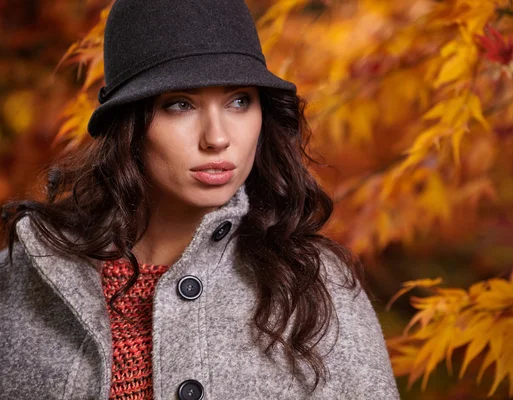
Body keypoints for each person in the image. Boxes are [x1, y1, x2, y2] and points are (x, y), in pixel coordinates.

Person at [0, 0, 400, 399]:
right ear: (130, 123)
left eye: (239, 101)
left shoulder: (314, 285)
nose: (217, 137)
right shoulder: (22, 280)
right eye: (181, 104)